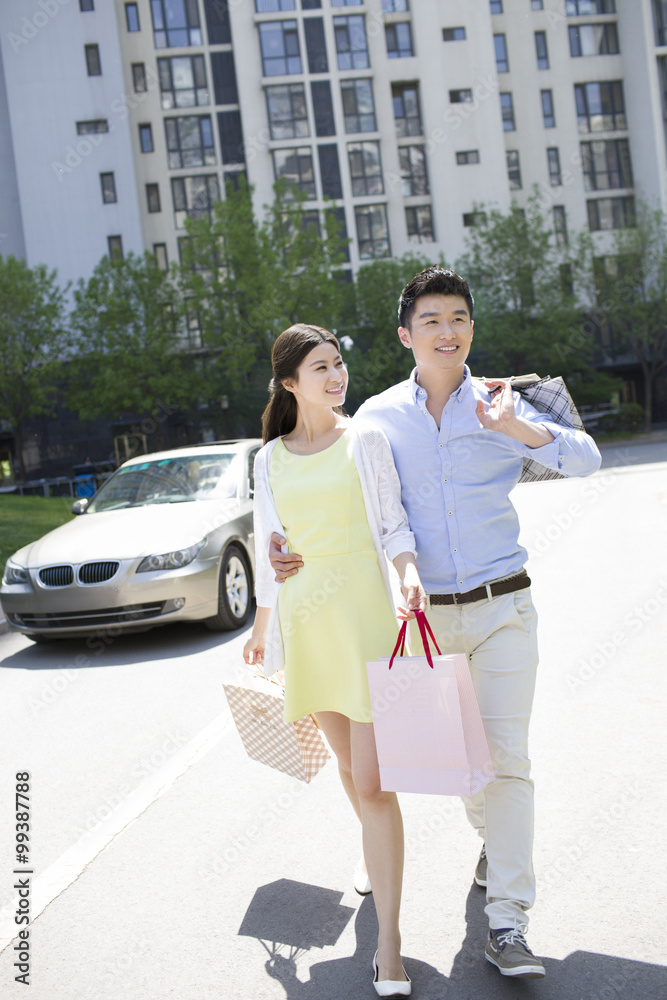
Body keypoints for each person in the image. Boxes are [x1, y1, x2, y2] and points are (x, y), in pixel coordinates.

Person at [269, 268, 602, 980]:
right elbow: (361, 506)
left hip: (504, 607)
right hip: (421, 626)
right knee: (464, 773)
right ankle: (492, 840)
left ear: (471, 330)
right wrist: (297, 551)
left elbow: (585, 460)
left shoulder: (501, 402)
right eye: (431, 320)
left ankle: (507, 922)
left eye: (458, 318)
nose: (446, 331)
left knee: (507, 759)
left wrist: (514, 426)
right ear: (405, 335)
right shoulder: (380, 420)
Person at [243, 323, 426, 998]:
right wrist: (262, 628)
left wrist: (407, 575)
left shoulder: (364, 440)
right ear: (290, 383)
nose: (335, 375)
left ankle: (390, 944)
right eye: (320, 367)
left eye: (338, 363)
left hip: (365, 621)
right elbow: (272, 545)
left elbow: (392, 525)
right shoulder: (268, 459)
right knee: (348, 768)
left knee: (376, 783)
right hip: (308, 622)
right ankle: (373, 856)